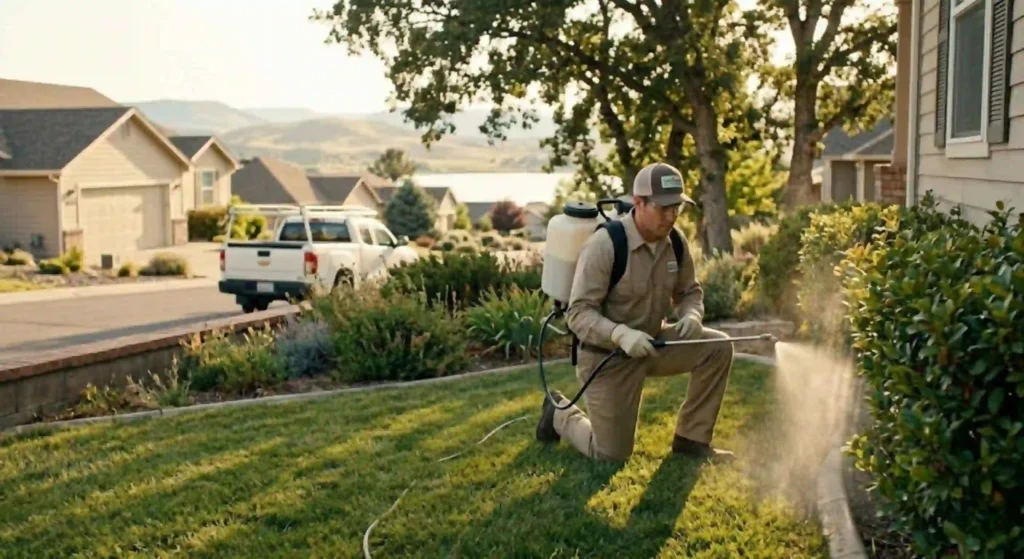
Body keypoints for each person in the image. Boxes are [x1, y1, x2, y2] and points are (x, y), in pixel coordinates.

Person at [535, 162, 736, 463]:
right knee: (610, 454)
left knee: (717, 347)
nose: (671, 216)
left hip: (654, 344)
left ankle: (691, 440)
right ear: (639, 202)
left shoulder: (675, 243)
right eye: (663, 207)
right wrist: (619, 334)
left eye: (677, 208)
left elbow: (689, 292)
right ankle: (558, 415)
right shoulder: (605, 246)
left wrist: (692, 315)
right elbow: (578, 314)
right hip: (607, 359)